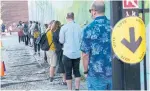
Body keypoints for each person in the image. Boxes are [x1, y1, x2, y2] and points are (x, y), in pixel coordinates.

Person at [80, 1, 112, 90]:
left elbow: (85, 54)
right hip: (114, 73)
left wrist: (85, 71)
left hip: (96, 74)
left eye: (90, 11)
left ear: (94, 11)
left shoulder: (88, 28)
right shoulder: (114, 26)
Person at [59, 12, 81, 90]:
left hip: (67, 53)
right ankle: (77, 89)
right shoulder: (78, 26)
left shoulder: (64, 27)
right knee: (77, 72)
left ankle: (69, 89)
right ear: (73, 17)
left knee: (68, 73)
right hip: (77, 53)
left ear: (66, 18)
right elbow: (80, 39)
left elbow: (61, 41)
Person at [52, 21, 66, 85]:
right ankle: (66, 79)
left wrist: (58, 49)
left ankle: (64, 80)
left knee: (62, 65)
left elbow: (56, 44)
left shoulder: (54, 33)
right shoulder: (63, 31)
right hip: (66, 49)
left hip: (60, 51)